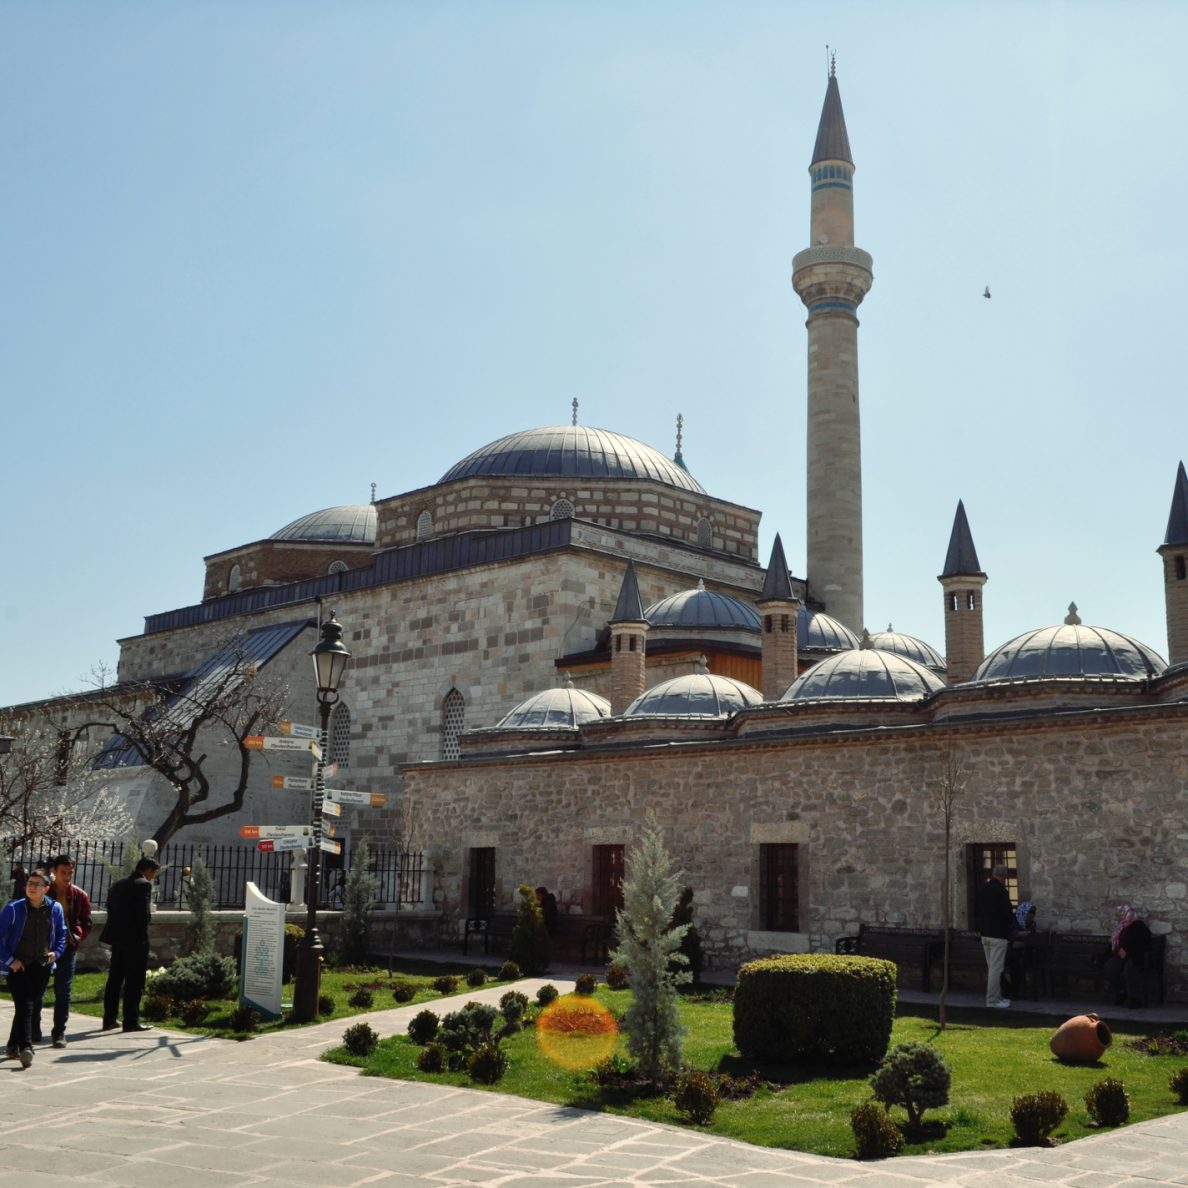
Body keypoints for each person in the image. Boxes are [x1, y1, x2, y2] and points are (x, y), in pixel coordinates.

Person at [0, 870, 67, 1068]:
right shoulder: (13, 909)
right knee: (26, 1005)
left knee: (27, 1005)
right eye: (30, 883)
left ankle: (12, 1045)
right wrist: (10, 960)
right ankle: (26, 1047)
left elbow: (61, 934)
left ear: (46, 888)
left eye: (37, 884)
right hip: (18, 966)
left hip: (42, 965)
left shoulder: (55, 909)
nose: (32, 887)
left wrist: (56, 952)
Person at [34, 854, 93, 1048]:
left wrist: (77, 937)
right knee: (37, 989)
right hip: (43, 947)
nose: (67, 876)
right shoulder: (45, 894)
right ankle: (34, 1029)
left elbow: (86, 922)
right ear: (54, 871)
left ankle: (59, 1032)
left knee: (63, 990)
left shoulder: (79, 895)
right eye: (63, 872)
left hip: (67, 948)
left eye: (70, 872)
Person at [99, 857, 160, 1032]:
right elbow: (142, 914)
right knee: (134, 981)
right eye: (153, 872)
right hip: (135, 940)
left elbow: (110, 908)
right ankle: (131, 1020)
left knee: (115, 980)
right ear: (148, 870)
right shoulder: (143, 885)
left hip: (117, 939)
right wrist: (144, 933)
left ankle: (109, 1018)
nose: (152, 877)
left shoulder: (118, 885)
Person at [977, 863, 1015, 1009]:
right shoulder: (1001, 891)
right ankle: (992, 1000)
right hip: (998, 935)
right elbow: (1006, 914)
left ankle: (998, 997)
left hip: (985, 934)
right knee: (996, 969)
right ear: (1004, 876)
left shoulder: (984, 889)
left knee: (992, 967)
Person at [1105, 903, 1152, 1009]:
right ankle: (1121, 992)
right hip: (1121, 956)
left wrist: (1127, 953)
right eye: (1121, 913)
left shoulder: (1139, 926)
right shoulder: (1121, 927)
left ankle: (1134, 999)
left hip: (1135, 956)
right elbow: (1114, 943)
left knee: (1129, 968)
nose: (1122, 915)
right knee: (1110, 966)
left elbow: (1142, 944)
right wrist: (1117, 950)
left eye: (1124, 913)